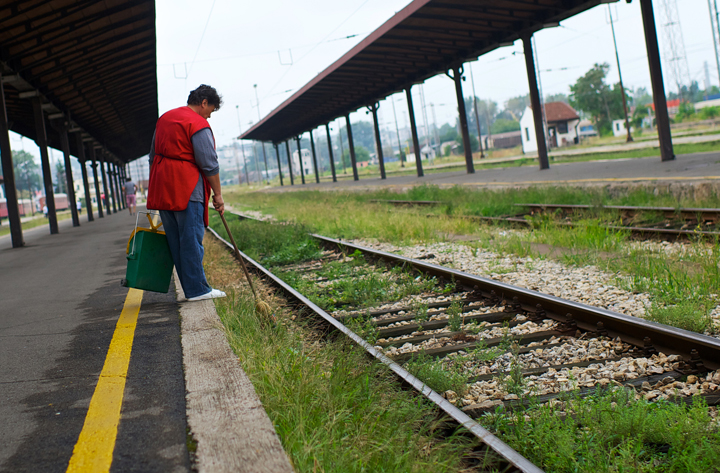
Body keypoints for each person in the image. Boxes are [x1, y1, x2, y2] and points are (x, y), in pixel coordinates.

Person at [147, 85, 226, 302]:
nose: (210, 114)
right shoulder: (197, 123)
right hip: (186, 187)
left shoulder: (164, 119)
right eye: (211, 109)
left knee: (176, 240)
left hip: (162, 187)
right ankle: (198, 290)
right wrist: (217, 194)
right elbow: (209, 163)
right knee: (190, 238)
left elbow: (152, 155)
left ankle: (191, 289)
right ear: (203, 103)